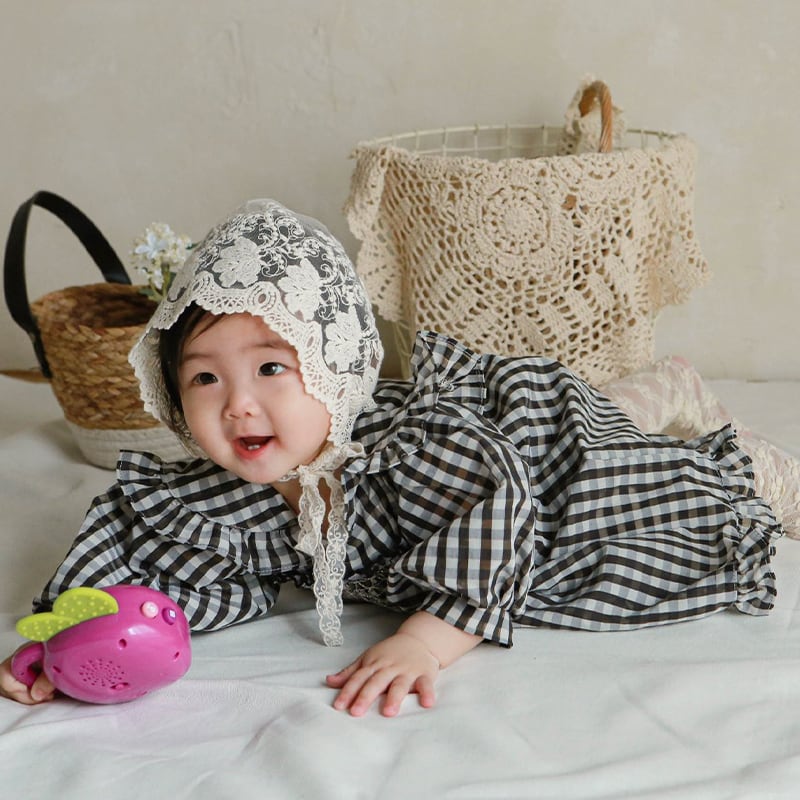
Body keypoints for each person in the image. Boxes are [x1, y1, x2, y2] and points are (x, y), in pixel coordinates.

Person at [0, 199, 793, 715]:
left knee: (625, 471)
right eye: (204, 378)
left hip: (534, 448)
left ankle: (729, 443)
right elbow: (131, 539)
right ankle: (656, 387)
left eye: (271, 368)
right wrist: (63, 633)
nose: (237, 403)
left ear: (335, 367)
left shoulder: (418, 456)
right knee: (613, 414)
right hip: (512, 446)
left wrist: (428, 638)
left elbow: (499, 505)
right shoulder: (219, 492)